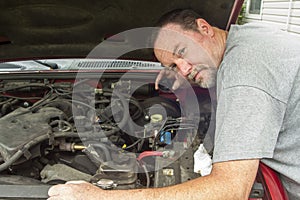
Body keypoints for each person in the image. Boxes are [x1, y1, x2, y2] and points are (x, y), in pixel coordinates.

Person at [47, 9, 300, 199]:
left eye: (182, 51)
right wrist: (189, 81)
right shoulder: (247, 39)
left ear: (204, 28)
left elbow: (231, 190)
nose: (184, 69)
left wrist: (103, 196)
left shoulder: (246, 71)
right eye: (172, 66)